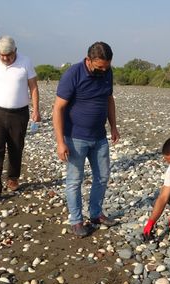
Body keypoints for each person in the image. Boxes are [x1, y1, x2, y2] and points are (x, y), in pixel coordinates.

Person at [52, 41, 120, 238]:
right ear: (88, 60)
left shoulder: (108, 72)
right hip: (75, 138)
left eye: (106, 67)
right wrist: (60, 142)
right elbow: (58, 108)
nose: (103, 71)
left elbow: (109, 99)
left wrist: (114, 126)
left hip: (99, 137)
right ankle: (76, 220)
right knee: (75, 180)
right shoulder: (73, 74)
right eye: (99, 67)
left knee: (103, 176)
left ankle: (96, 213)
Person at [0, 36, 40, 199]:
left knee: (16, 147)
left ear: (15, 51)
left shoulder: (26, 61)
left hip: (19, 113)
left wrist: (36, 110)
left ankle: (12, 178)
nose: (5, 58)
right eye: (2, 55)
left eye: (8, 55)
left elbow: (33, 87)